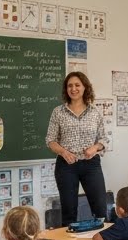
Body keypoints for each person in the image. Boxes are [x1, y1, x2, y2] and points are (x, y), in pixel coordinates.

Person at [47, 71, 110, 227]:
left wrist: (95, 148)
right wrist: (63, 152)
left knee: (100, 209)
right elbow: (50, 140)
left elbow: (104, 139)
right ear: (66, 89)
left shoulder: (94, 112)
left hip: (91, 164)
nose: (73, 89)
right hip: (66, 165)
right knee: (69, 211)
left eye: (77, 85)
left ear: (84, 87)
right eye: (70, 86)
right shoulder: (58, 112)